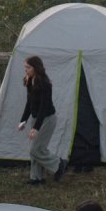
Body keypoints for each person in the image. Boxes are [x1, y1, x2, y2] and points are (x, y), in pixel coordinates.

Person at [18, 55, 65, 185]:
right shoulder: (29, 80)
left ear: (35, 68)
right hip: (36, 118)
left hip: (47, 119)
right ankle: (37, 179)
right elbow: (29, 103)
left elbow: (44, 107)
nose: (25, 70)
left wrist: (35, 128)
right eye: (25, 67)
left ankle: (59, 164)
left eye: (28, 67)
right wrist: (23, 120)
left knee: (36, 150)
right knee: (35, 149)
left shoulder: (45, 83)